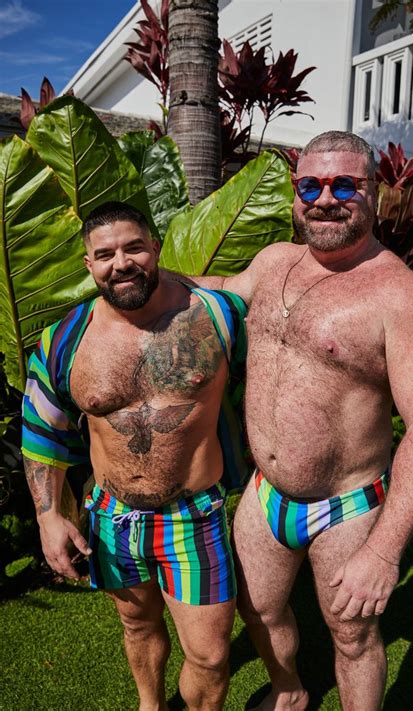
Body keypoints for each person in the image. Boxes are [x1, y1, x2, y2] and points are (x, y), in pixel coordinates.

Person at [193, 131, 413, 710]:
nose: (324, 198)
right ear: (296, 193)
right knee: (258, 608)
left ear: (373, 192)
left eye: (344, 184)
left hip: (347, 506)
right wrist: (145, 278)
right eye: (310, 185)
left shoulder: (406, 296)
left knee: (353, 634)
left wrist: (385, 553)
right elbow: (219, 294)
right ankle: (290, 691)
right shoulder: (274, 262)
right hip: (265, 496)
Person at [21, 201, 247, 711]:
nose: (120, 263)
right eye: (104, 254)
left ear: (156, 250)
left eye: (133, 247)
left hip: (194, 517)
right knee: (137, 623)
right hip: (111, 518)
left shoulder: (214, 315)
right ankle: (150, 705)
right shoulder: (64, 341)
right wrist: (48, 517)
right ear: (88, 265)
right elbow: (42, 430)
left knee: (210, 656)